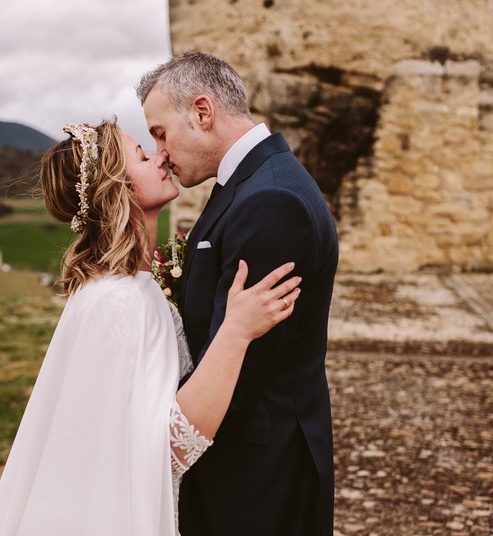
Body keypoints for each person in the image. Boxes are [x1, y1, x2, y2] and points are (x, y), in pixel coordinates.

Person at [0, 119, 302, 535]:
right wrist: (236, 331)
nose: (161, 155)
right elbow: (168, 447)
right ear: (121, 188)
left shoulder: (125, 287)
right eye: (143, 155)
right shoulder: (121, 301)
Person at [137, 51, 339, 536]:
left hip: (256, 480)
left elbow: (247, 371)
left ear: (202, 113)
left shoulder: (270, 200)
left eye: (161, 132)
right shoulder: (253, 182)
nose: (160, 152)